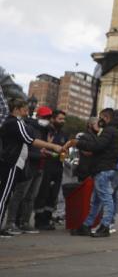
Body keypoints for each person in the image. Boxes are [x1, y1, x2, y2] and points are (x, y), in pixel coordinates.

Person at [1, 99, 69, 238]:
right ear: (17, 109)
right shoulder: (15, 122)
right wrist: (53, 146)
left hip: (18, 163)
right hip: (12, 162)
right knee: (5, 197)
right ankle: (9, 223)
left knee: (10, 196)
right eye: (25, 109)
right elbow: (30, 140)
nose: (27, 112)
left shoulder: (19, 123)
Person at [71, 108, 118, 238]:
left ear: (106, 118)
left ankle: (105, 226)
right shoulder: (114, 132)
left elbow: (97, 146)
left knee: (105, 198)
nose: (99, 121)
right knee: (97, 200)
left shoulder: (109, 131)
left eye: (101, 117)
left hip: (103, 169)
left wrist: (79, 143)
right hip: (105, 168)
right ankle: (86, 225)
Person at [34, 109, 68, 230]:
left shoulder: (64, 134)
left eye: (63, 119)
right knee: (43, 192)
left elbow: (65, 150)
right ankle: (39, 220)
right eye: (60, 119)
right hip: (46, 166)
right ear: (53, 119)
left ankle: (47, 219)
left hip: (58, 167)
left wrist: (65, 152)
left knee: (53, 195)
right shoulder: (45, 131)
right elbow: (40, 146)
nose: (62, 121)